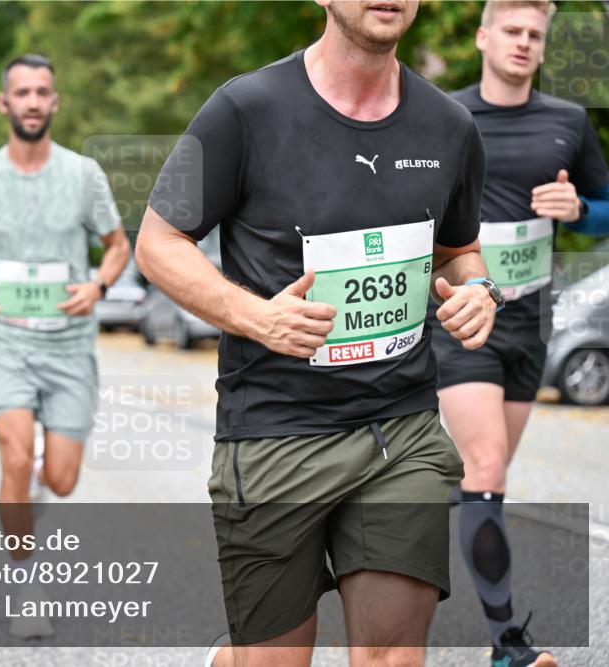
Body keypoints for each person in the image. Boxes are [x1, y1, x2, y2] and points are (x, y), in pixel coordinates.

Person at [135, 1, 504, 664]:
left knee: (391, 656)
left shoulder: (450, 126)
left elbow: (459, 249)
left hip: (401, 430)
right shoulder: (242, 110)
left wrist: (478, 289)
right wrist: (257, 317)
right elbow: (159, 241)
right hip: (275, 428)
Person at [429, 3, 609, 666]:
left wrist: (582, 208)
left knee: (483, 481)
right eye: (512, 30)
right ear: (484, 37)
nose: (525, 43)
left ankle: (386, 523)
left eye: (536, 34)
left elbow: (605, 207)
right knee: (487, 467)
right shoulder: (443, 117)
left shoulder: (567, 122)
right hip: (463, 318)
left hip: (533, 323)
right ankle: (508, 642)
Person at [0, 54, 131, 638]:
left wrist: (97, 285)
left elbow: (118, 244)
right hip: (5, 343)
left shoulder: (83, 174)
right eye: (22, 92)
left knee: (62, 480)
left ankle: (35, 488)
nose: (34, 101)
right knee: (14, 457)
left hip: (69, 346)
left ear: (55, 102)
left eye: (43, 91)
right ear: (4, 103)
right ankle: (26, 581)